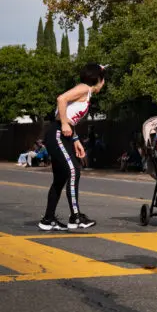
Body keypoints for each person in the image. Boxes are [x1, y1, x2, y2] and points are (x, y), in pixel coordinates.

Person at [38, 63, 106, 231]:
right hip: (57, 133)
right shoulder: (84, 88)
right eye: (103, 79)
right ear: (98, 79)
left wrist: (75, 140)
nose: (104, 83)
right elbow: (61, 99)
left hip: (63, 134)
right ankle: (76, 217)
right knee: (74, 171)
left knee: (61, 178)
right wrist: (63, 124)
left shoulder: (86, 92)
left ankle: (48, 219)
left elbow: (69, 116)